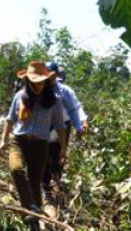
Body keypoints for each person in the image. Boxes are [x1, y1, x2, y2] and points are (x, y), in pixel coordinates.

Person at [0, 61, 68, 231]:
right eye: (34, 81)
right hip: (19, 141)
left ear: (46, 81)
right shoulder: (20, 97)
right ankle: (30, 208)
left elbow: (60, 125)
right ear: (27, 81)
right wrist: (3, 140)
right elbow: (9, 119)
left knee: (35, 182)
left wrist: (63, 149)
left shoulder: (54, 101)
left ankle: (35, 226)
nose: (37, 85)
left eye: (41, 81)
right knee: (16, 170)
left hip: (40, 145)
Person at [43, 61, 89, 202]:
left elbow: (74, 108)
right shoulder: (39, 87)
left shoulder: (65, 91)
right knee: (44, 154)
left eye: (52, 74)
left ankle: (57, 181)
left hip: (63, 126)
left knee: (59, 153)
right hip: (44, 126)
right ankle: (45, 185)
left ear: (56, 75)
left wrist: (80, 124)